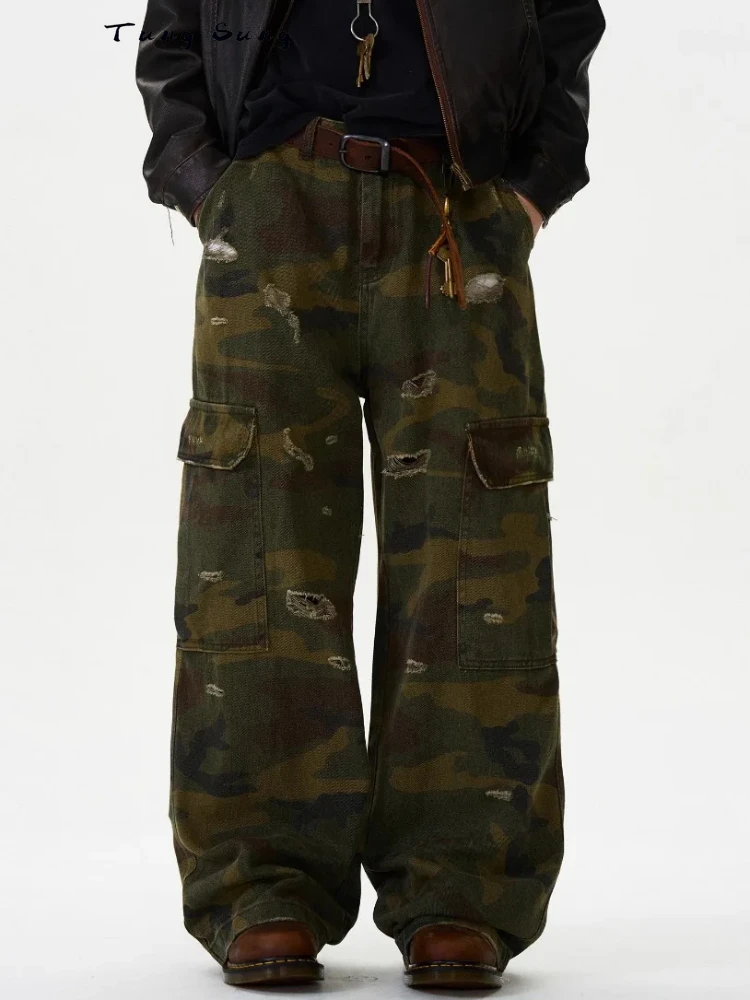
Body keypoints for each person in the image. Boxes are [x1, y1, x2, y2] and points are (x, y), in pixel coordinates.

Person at [136, 0, 605, 989]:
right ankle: (262, 883)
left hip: (457, 207)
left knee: (476, 557)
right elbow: (173, 30)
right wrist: (205, 181)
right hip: (270, 205)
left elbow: (566, 21)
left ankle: (461, 890)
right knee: (252, 555)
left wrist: (531, 190)